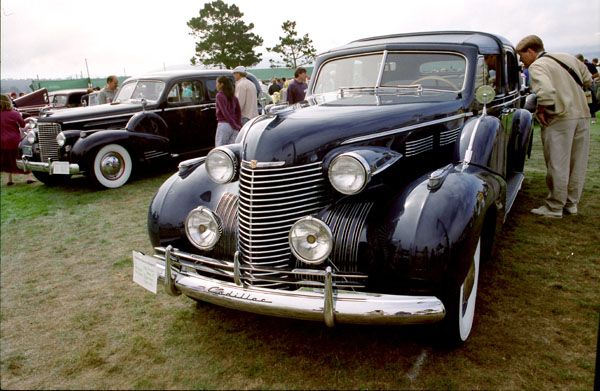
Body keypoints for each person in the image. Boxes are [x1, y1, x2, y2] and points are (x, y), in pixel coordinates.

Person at [516, 35, 592, 218]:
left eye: (521, 55)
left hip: (559, 116)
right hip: (582, 114)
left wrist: (541, 109)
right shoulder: (568, 58)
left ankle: (555, 206)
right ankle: (571, 204)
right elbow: (588, 79)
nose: (521, 60)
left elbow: (547, 94)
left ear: (531, 51)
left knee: (558, 163)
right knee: (577, 163)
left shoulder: (538, 66)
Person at [1, 94, 34, 185]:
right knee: (21, 157)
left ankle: (9, 180)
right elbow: (23, 125)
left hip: (2, 141)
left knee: (7, 160)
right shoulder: (14, 113)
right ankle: (28, 177)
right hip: (15, 140)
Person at [214, 76, 242, 147]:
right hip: (235, 126)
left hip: (224, 124)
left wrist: (233, 123)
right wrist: (237, 125)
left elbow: (225, 112)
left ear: (221, 84)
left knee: (220, 148)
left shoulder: (219, 96)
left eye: (217, 83)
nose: (216, 85)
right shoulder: (233, 97)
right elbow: (238, 112)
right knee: (232, 147)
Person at [576, 54, 599, 123]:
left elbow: (597, 74)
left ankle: (593, 116)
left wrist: (588, 78)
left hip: (589, 86)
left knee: (590, 101)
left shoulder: (590, 65)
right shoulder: (576, 66)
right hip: (580, 86)